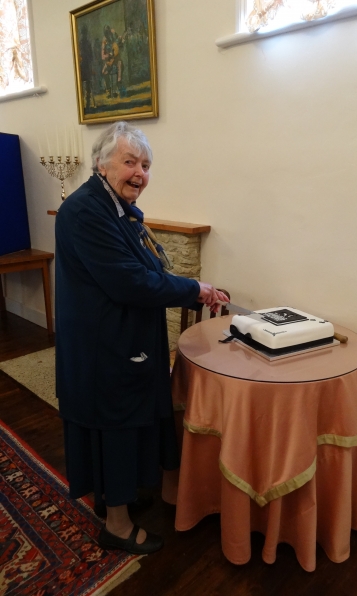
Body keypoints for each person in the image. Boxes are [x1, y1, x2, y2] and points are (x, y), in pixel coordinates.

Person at [55, 121, 228, 556]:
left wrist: (182, 283)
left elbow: (146, 268)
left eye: (146, 165)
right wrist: (194, 289)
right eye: (129, 162)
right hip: (104, 346)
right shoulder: (86, 211)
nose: (140, 173)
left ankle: (118, 498)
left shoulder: (112, 205)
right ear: (101, 163)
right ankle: (117, 524)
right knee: (115, 426)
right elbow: (129, 282)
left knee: (126, 424)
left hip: (119, 339)